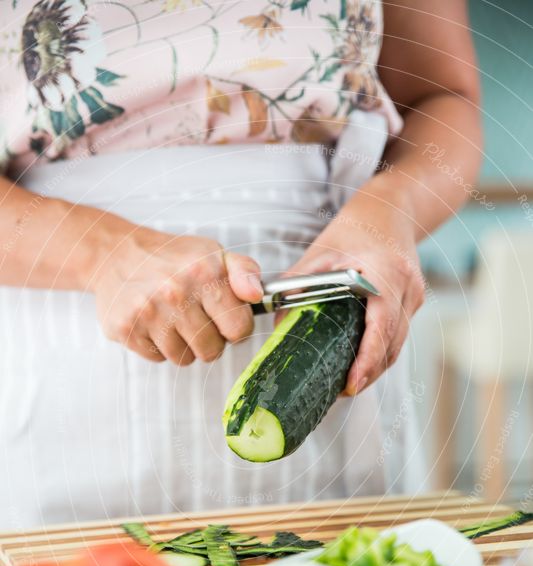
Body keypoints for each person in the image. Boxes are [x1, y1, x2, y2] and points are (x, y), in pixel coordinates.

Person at [0, 1, 481, 528]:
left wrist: (392, 213)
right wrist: (102, 253)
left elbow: (443, 97)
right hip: (64, 328)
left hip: (332, 311)